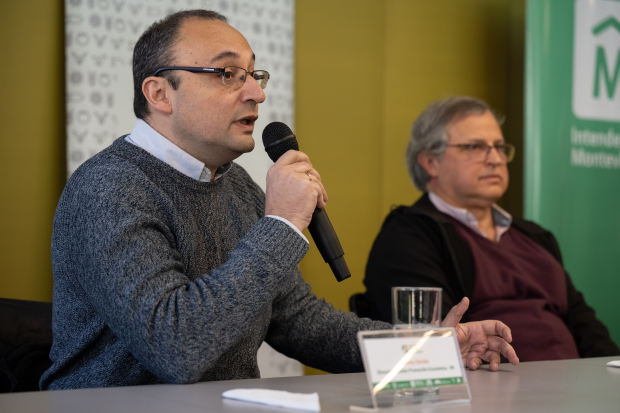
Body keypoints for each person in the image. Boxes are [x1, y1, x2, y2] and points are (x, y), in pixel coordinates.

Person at [41, 12, 518, 390]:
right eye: (227, 73)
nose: (256, 92)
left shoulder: (237, 186)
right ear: (160, 93)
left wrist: (427, 349)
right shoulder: (108, 188)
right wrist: (284, 224)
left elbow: (301, 323)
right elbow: (176, 347)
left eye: (254, 73)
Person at [364, 96, 620, 362]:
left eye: (499, 147)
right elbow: (439, 347)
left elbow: (588, 330)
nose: (495, 159)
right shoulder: (408, 237)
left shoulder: (535, 236)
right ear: (430, 162)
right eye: (475, 147)